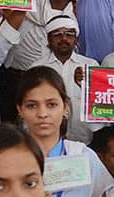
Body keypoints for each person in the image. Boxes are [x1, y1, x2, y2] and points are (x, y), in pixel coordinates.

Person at [17, 67, 114, 197]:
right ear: (20, 110)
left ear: (65, 107)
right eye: (32, 105)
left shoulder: (84, 157)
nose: (42, 114)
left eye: (51, 104)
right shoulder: (9, 160)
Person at [33, 14, 99, 146]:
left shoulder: (91, 65)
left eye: (69, 34)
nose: (64, 38)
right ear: (49, 39)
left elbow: (99, 104)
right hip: (46, 141)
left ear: (76, 39)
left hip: (84, 140)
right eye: (57, 34)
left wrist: (85, 86)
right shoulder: (37, 68)